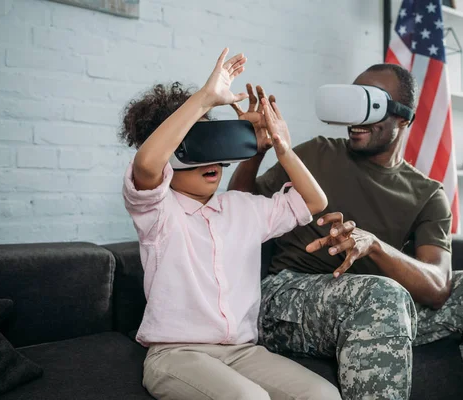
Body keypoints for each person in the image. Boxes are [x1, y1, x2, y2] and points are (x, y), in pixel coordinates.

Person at [228, 64, 463, 400]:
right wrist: (256, 154)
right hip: (287, 296)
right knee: (382, 295)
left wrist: (375, 246)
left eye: (371, 104)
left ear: (404, 118)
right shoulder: (317, 152)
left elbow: (437, 287)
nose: (356, 116)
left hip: (377, 303)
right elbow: (240, 212)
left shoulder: (427, 194)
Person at [119, 48, 341, 400]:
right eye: (195, 149)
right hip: (177, 355)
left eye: (215, 147)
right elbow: (146, 165)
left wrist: (280, 147)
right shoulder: (158, 214)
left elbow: (315, 202)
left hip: (242, 353)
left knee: (322, 395)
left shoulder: (242, 208)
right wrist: (206, 98)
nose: (211, 162)